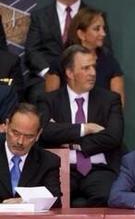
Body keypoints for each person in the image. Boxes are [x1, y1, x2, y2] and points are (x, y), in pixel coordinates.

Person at [39, 45, 123, 207]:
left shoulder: (110, 100)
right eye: (86, 68)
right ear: (70, 73)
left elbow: (114, 136)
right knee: (52, 199)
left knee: (106, 196)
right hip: (61, 168)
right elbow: (45, 132)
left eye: (93, 67)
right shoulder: (49, 101)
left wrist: (72, 141)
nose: (93, 73)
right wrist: (86, 128)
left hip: (99, 169)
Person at [24, 0, 111, 103]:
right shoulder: (40, 17)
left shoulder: (96, 17)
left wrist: (83, 70)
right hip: (47, 76)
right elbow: (32, 51)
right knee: (37, 94)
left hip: (84, 76)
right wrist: (50, 73)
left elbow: (105, 50)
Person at [45, 7, 124, 106]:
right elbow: (50, 104)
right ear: (81, 34)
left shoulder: (111, 63)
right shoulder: (59, 64)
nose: (103, 34)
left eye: (103, 28)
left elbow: (118, 106)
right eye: (97, 29)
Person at [1, 103, 61, 207]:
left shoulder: (48, 161)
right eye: (15, 133)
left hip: (30, 218)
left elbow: (54, 200)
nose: (20, 141)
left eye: (28, 136)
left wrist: (24, 201)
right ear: (6, 126)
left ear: (38, 135)